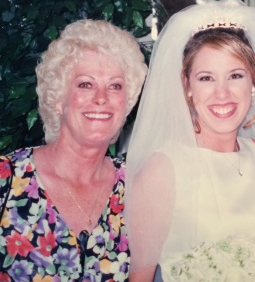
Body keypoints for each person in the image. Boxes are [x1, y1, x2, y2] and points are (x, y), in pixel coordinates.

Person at [125, 0, 255, 281]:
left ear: (254, 82)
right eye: (206, 78)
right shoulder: (161, 168)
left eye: (235, 75)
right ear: (187, 87)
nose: (222, 93)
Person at [0, 19, 148, 281]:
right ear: (58, 98)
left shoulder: (138, 187)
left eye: (115, 86)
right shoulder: (6, 178)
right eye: (86, 84)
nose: (101, 98)